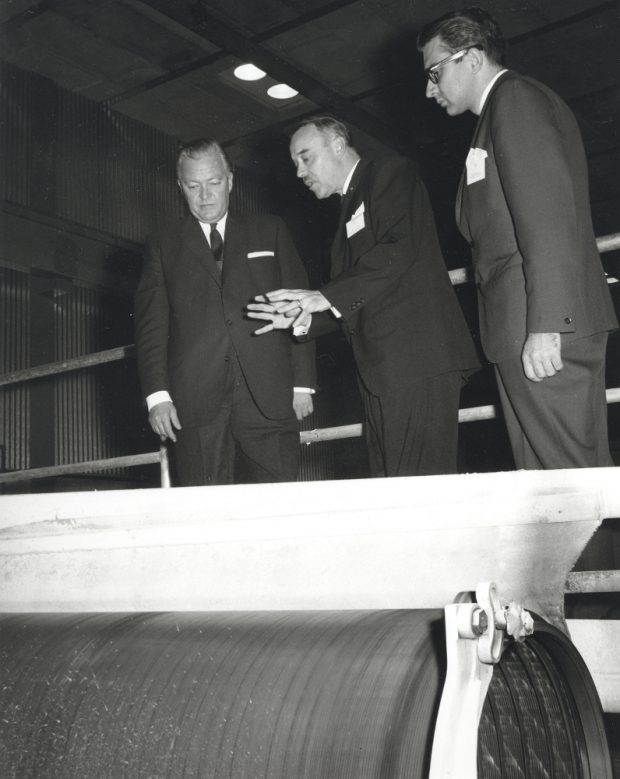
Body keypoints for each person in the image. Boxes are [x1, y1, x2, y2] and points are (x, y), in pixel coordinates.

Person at [417, 7, 617, 469]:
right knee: (551, 494)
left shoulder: (516, 101)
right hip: (522, 329)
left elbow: (546, 219)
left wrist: (546, 326)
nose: (429, 88)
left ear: (470, 58)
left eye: (434, 71)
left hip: (542, 329)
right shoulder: (494, 117)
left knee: (571, 486)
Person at [247, 116, 480, 477]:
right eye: (295, 163)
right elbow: (362, 295)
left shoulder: (388, 174)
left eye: (306, 158)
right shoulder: (346, 210)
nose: (299, 172)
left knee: (418, 490)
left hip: (416, 361)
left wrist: (324, 296)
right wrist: (303, 316)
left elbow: (399, 248)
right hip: (385, 372)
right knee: (392, 486)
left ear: (338, 144)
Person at [134, 139, 316, 486]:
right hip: (196, 402)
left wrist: (303, 383)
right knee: (204, 511)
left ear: (230, 180)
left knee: (277, 504)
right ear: (180, 187)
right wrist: (158, 397)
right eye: (193, 186)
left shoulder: (271, 230)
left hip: (269, 396)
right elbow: (151, 327)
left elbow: (301, 305)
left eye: (214, 183)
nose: (205, 196)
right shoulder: (163, 244)